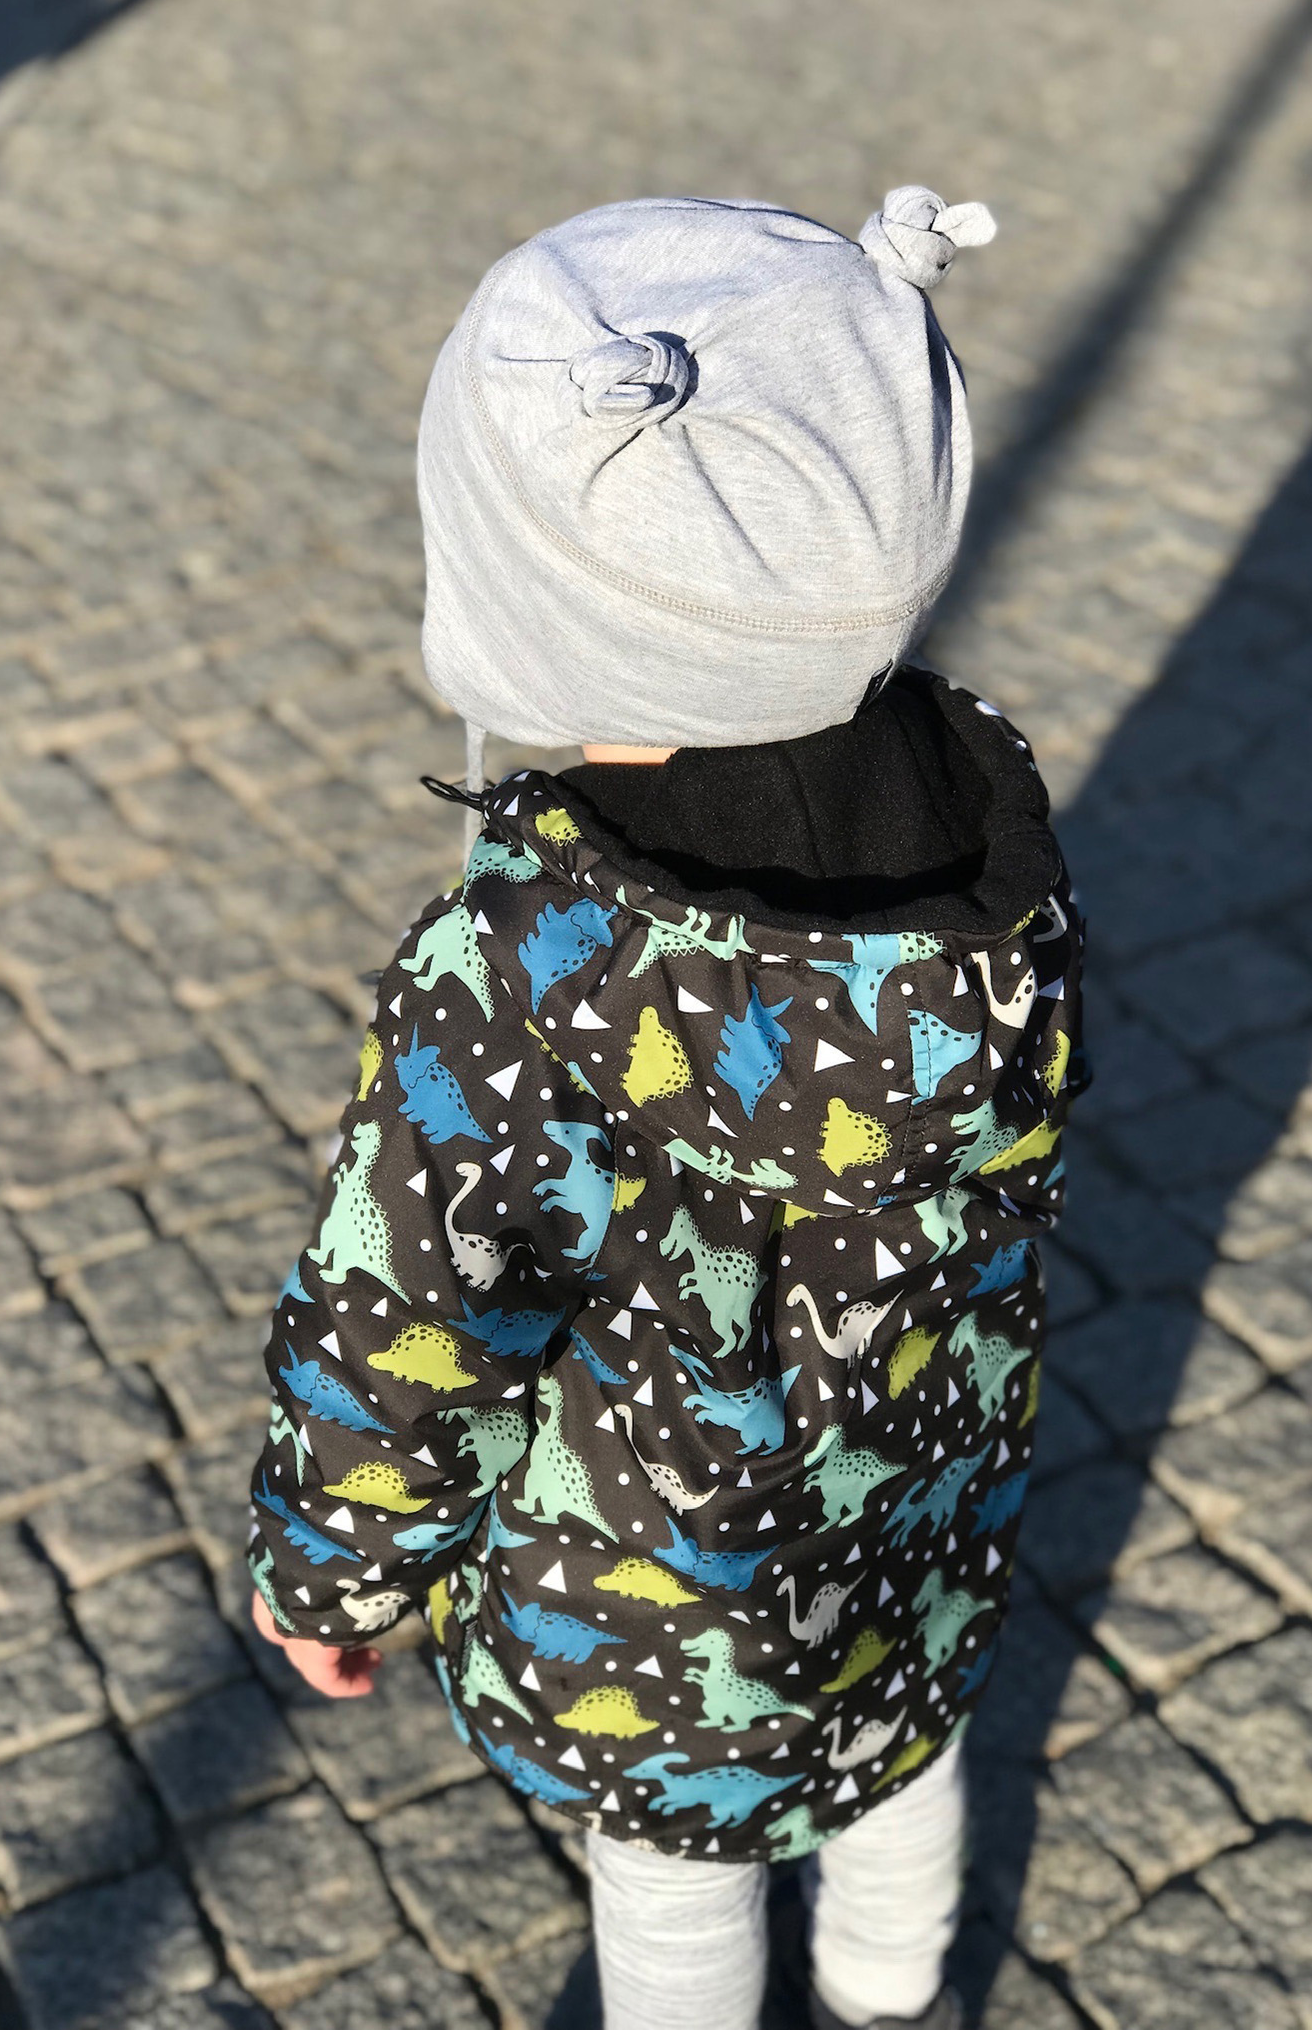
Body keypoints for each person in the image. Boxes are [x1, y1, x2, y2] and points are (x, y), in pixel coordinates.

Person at [245, 187, 1087, 2030]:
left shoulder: (522, 968)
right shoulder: (988, 844)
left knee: (676, 1875)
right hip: (916, 1502)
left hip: (651, 1597)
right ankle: (895, 2000)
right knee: (902, 1751)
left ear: (520, 603)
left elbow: (412, 1320)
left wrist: (333, 1569)